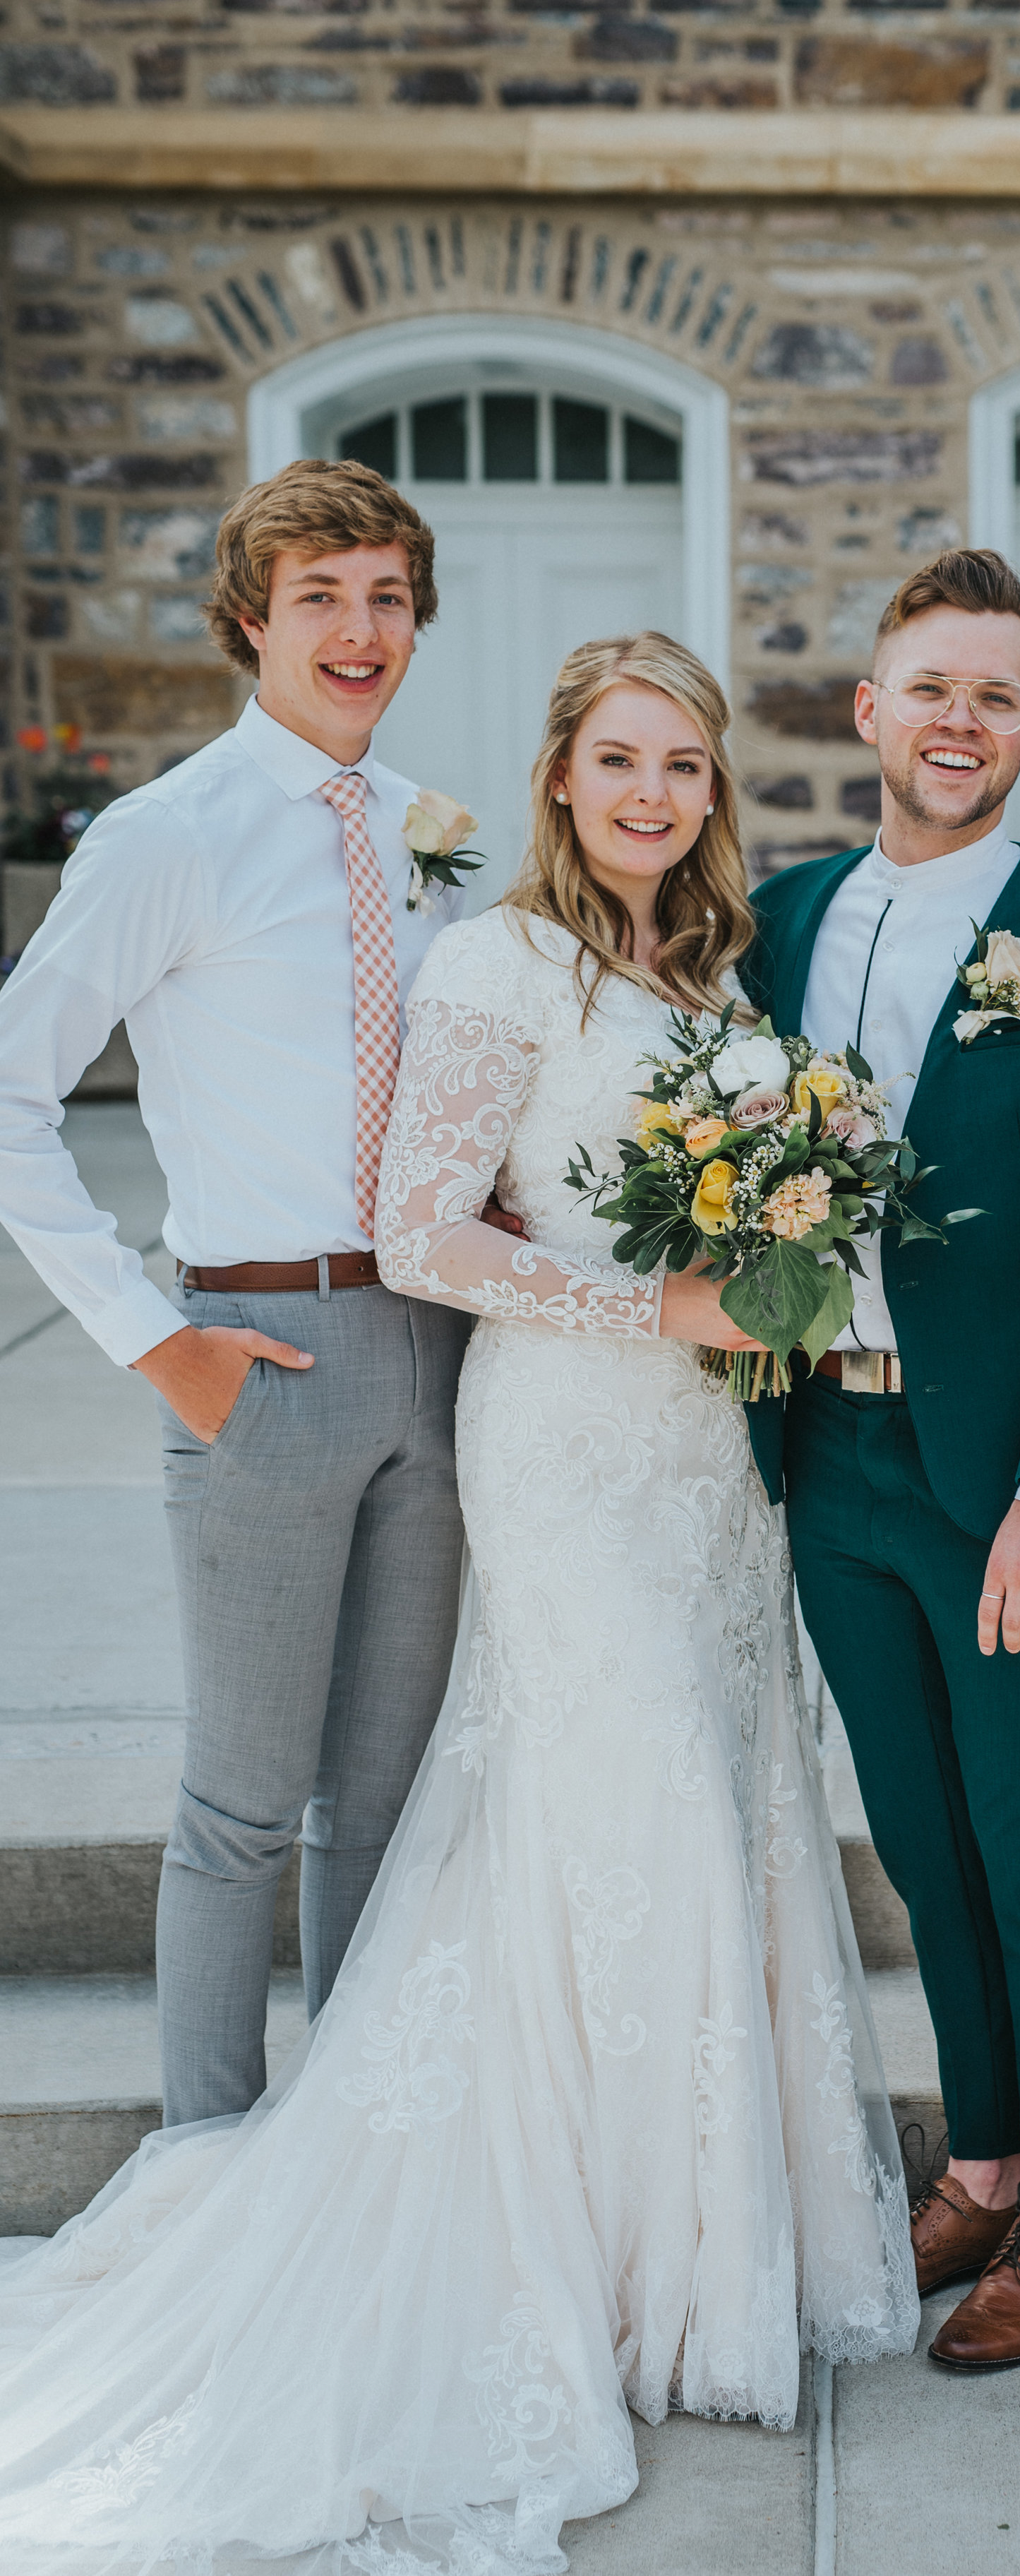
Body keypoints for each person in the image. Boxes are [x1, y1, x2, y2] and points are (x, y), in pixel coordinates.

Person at [0, 630, 915, 2576]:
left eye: (683, 761)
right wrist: (666, 1314)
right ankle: (577, 2261)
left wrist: (796, 1282)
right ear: (559, 775)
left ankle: (689, 2251)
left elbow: (760, 1221)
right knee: (624, 1805)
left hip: (701, 1472)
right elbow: (428, 1232)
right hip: (572, 1449)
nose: (654, 791)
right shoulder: (498, 962)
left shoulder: (714, 978)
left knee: (719, 1808)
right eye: (618, 757)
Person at [0, 458, 498, 2127]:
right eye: (320, 599)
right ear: (251, 622)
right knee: (238, 1802)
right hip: (264, 1356)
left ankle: (353, 2164)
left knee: (382, 1800)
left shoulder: (432, 835)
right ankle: (211, 2159)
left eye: (384, 598)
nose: (358, 631)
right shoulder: (171, 834)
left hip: (442, 1348)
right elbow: (11, 1091)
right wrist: (159, 1342)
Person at [740, 549, 1020, 2373]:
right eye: (929, 686)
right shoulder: (779, 920)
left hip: (1004, 1483)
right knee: (916, 1844)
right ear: (867, 705)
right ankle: (979, 2155)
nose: (958, 722)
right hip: (824, 1452)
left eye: (994, 696)